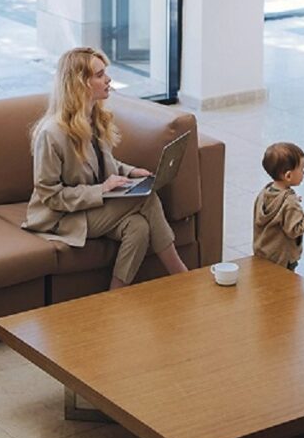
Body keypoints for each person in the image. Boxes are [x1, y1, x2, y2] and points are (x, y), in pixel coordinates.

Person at [23, 47, 188, 290]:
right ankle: (181, 275)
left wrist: (130, 172)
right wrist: (101, 190)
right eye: (100, 75)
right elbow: (50, 195)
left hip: (93, 206)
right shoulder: (52, 134)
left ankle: (114, 297)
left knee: (138, 228)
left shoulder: (95, 118)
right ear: (80, 84)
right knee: (147, 198)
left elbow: (103, 164)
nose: (108, 79)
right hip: (62, 216)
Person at [253, 142, 304, 271]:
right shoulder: (289, 202)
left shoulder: (265, 192)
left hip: (263, 252)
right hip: (282, 259)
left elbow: (275, 208)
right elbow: (295, 230)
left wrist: (292, 202)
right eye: (302, 169)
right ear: (288, 176)